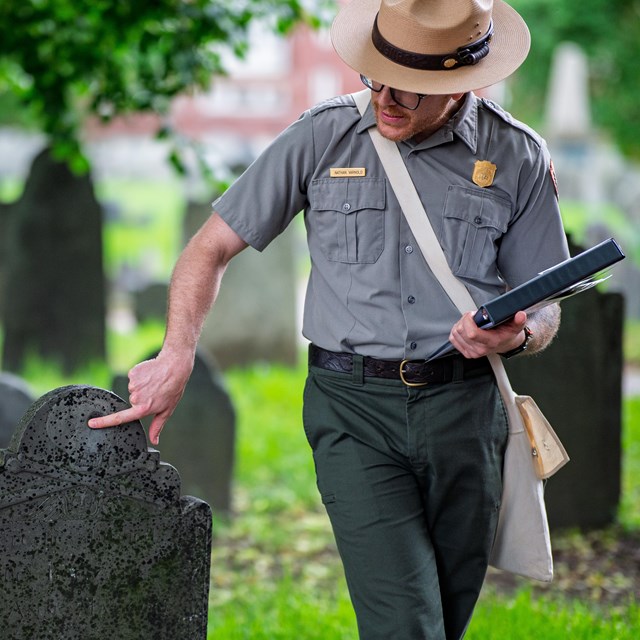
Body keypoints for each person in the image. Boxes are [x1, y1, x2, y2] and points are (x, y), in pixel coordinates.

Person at [89, 0, 570, 637]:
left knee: (442, 622)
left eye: (412, 87)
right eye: (378, 76)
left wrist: (522, 329)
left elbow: (546, 298)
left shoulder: (517, 156)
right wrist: (176, 353)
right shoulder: (323, 136)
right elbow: (208, 249)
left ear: (459, 86)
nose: (387, 98)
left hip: (466, 415)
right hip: (353, 411)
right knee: (406, 625)